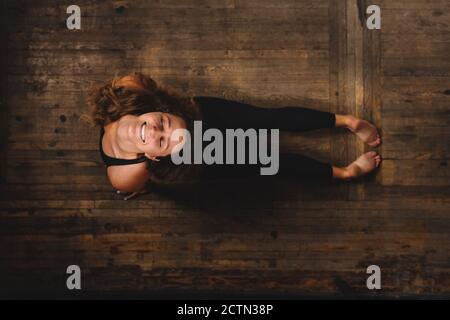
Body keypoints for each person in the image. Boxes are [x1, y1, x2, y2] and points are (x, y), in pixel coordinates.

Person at [84, 73, 381, 200]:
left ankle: (348, 121)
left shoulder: (129, 89)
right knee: (274, 162)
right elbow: (152, 184)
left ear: (158, 110)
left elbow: (148, 86)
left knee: (269, 119)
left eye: (161, 122)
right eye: (159, 141)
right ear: (152, 157)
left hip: (199, 115)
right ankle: (344, 173)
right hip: (202, 157)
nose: (152, 131)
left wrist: (170, 110)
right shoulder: (125, 175)